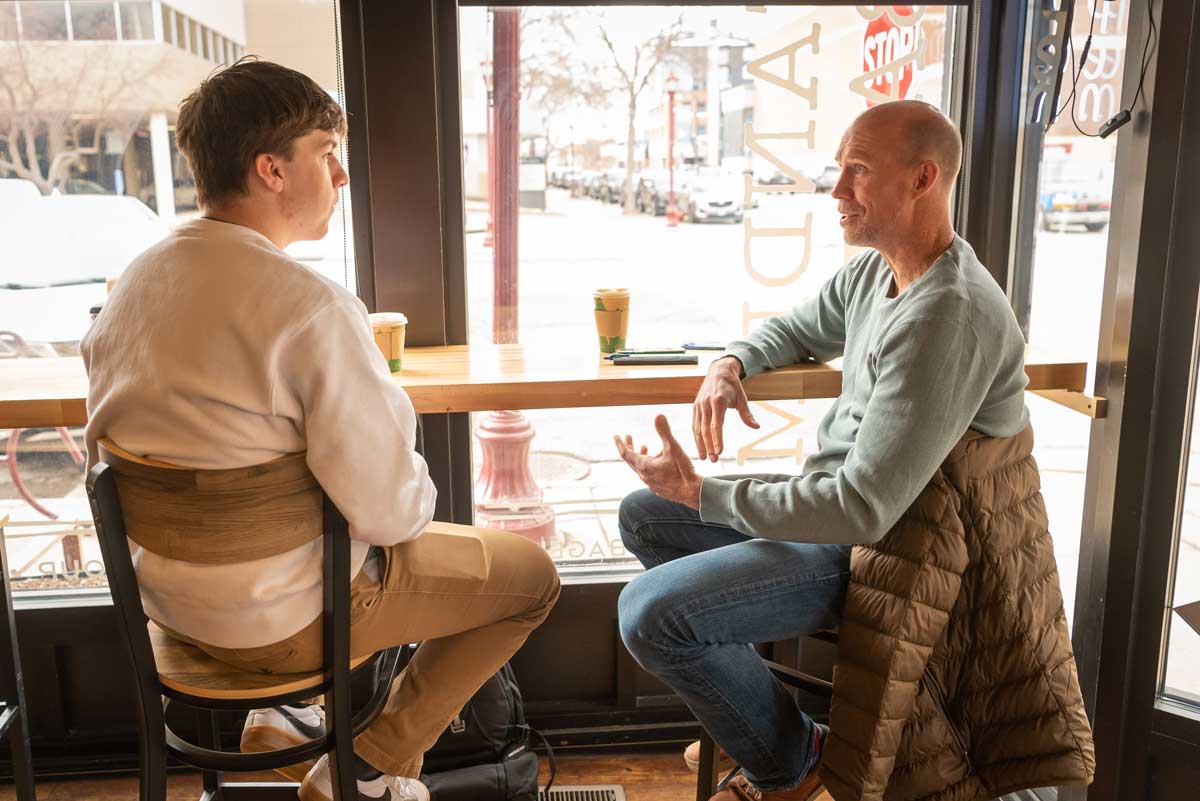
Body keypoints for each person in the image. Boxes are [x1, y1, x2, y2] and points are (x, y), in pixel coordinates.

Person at [81, 58, 559, 801]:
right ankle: (367, 765)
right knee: (531, 580)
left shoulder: (131, 289)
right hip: (291, 626)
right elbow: (395, 511)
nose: (340, 178)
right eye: (326, 154)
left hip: (174, 617)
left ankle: (286, 713)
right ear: (271, 169)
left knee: (331, 536)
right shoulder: (310, 308)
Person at [612, 100, 1029, 801]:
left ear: (923, 179)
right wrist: (730, 365)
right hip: (845, 515)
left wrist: (705, 493)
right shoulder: (878, 273)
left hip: (893, 551)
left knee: (649, 614)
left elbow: (862, 509)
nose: (836, 190)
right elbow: (798, 327)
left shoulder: (947, 314)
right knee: (642, 513)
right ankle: (755, 719)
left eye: (857, 171)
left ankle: (789, 760)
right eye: (839, 168)